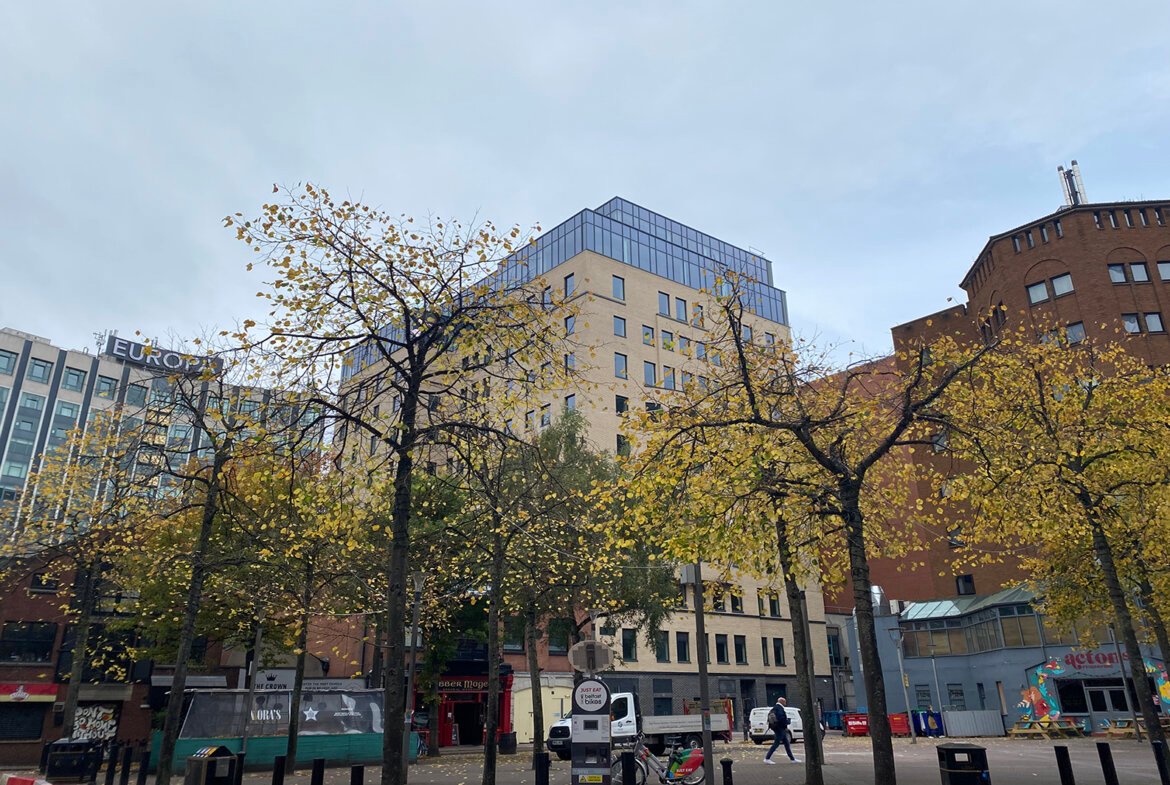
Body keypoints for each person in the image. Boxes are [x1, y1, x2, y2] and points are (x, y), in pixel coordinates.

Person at [763, 697, 799, 764]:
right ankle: (767, 758)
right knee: (776, 743)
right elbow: (781, 718)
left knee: (786, 743)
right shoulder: (779, 708)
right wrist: (787, 722)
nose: (785, 703)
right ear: (782, 702)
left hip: (777, 728)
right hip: (779, 728)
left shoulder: (774, 708)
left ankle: (792, 759)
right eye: (785, 702)